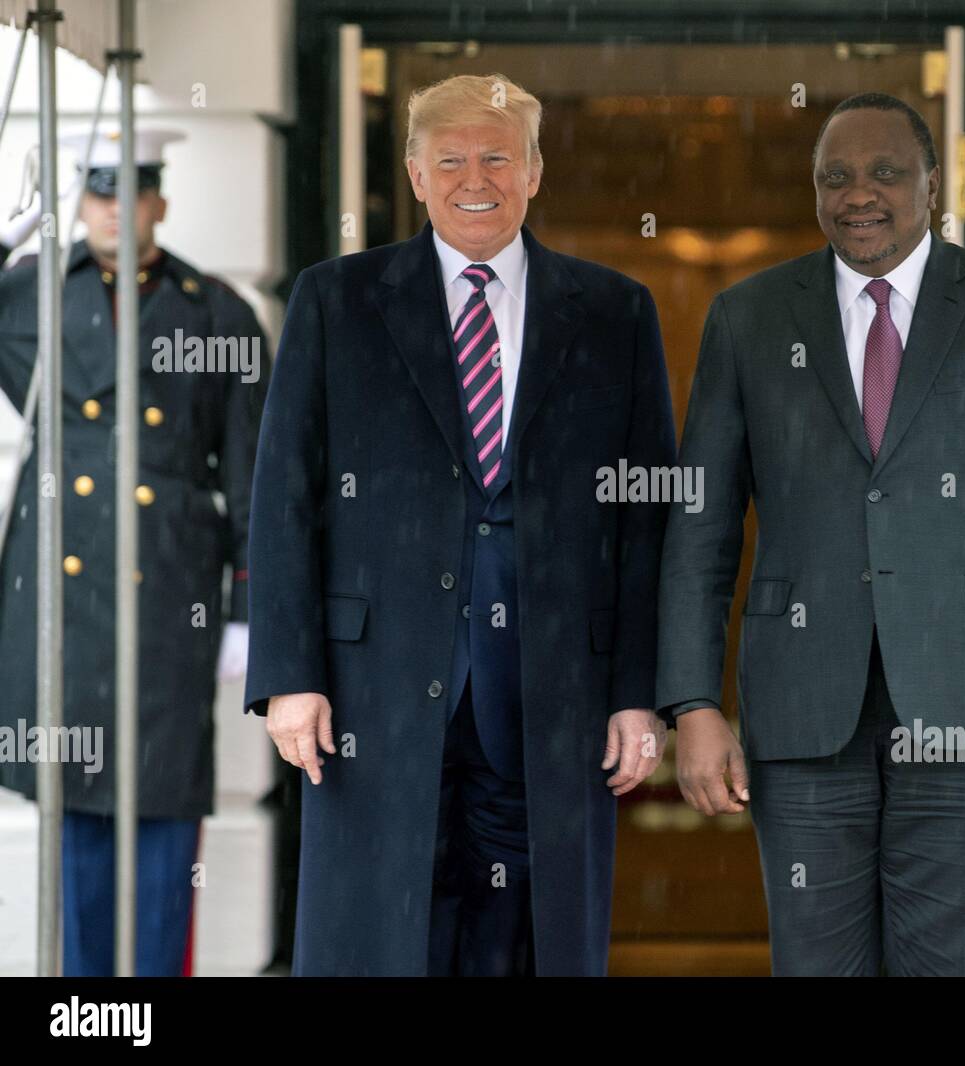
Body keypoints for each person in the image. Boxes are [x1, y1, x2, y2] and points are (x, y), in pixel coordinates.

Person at [656, 91, 965, 976]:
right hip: (801, 717)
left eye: (886, 172)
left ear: (932, 184)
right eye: (836, 177)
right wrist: (694, 706)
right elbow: (699, 522)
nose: (860, 194)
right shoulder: (749, 318)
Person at [243, 73, 677, 976]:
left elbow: (645, 523)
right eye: (449, 159)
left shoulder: (614, 311)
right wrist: (288, 676)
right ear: (413, 173)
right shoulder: (336, 301)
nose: (473, 178)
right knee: (380, 937)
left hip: (555, 691)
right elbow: (283, 494)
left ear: (534, 171)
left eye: (496, 156)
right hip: (372, 692)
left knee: (526, 942)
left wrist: (641, 691)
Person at [0, 128, 267, 975]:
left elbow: (255, 473)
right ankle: (83, 1008)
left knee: (163, 810)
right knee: (73, 810)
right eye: (101, 194)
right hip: (63, 592)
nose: (117, 211)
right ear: (82, 203)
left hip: (170, 591)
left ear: (161, 200)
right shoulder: (28, 295)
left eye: (134, 192)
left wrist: (245, 608)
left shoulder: (217, 312)